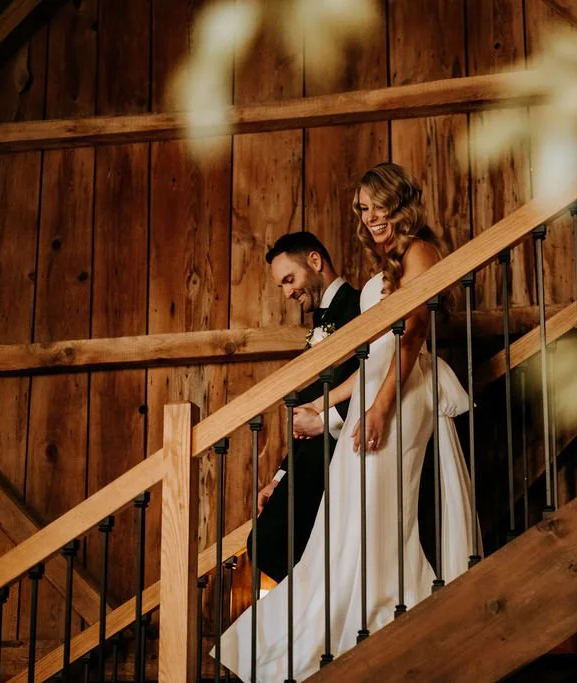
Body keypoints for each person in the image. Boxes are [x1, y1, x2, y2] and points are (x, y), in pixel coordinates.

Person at [218, 163, 478, 682]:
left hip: (404, 399)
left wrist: (378, 409)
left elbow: (410, 339)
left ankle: (386, 615)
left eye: (378, 204)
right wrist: (328, 404)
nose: (371, 215)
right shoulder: (386, 266)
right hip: (378, 393)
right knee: (350, 511)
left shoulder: (421, 251)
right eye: (363, 208)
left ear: (399, 201)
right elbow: (371, 361)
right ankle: (349, 620)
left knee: (381, 509)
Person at [251, 232, 361, 582]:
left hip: (348, 450)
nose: (287, 293)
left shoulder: (360, 306)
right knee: (265, 543)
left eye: (289, 279)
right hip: (315, 455)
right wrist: (279, 478)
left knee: (268, 543)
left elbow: (380, 373)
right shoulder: (321, 322)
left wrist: (327, 420)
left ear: (315, 261)